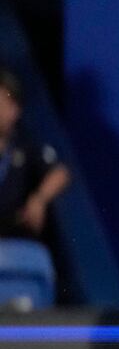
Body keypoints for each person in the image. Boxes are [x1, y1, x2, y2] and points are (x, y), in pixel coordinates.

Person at [0, 65, 69, 246]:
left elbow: (60, 172)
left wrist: (39, 198)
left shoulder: (25, 144)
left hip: (13, 239)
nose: (8, 111)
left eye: (12, 103)